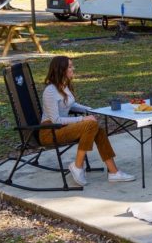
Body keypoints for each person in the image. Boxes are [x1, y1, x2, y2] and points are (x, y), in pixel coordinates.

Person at [39, 56, 135, 185]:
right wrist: (83, 119)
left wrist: (90, 110)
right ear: (60, 70)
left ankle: (113, 172)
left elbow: (70, 105)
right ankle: (77, 166)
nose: (73, 69)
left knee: (98, 130)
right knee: (90, 124)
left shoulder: (64, 86)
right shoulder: (50, 91)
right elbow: (55, 119)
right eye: (69, 67)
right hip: (50, 132)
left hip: (63, 128)